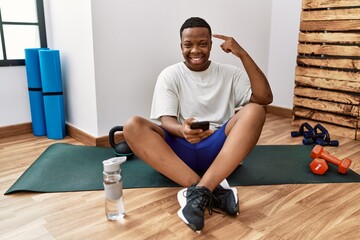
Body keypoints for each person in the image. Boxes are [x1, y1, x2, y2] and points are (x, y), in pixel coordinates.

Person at [123, 17, 273, 232]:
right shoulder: (170, 75)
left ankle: (198, 192)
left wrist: (242, 54)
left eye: (202, 44)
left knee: (256, 110)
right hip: (180, 150)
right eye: (188, 45)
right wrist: (182, 131)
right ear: (181, 46)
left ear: (211, 45)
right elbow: (167, 121)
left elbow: (265, 97)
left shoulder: (230, 73)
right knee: (132, 125)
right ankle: (210, 190)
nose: (195, 50)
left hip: (220, 149)